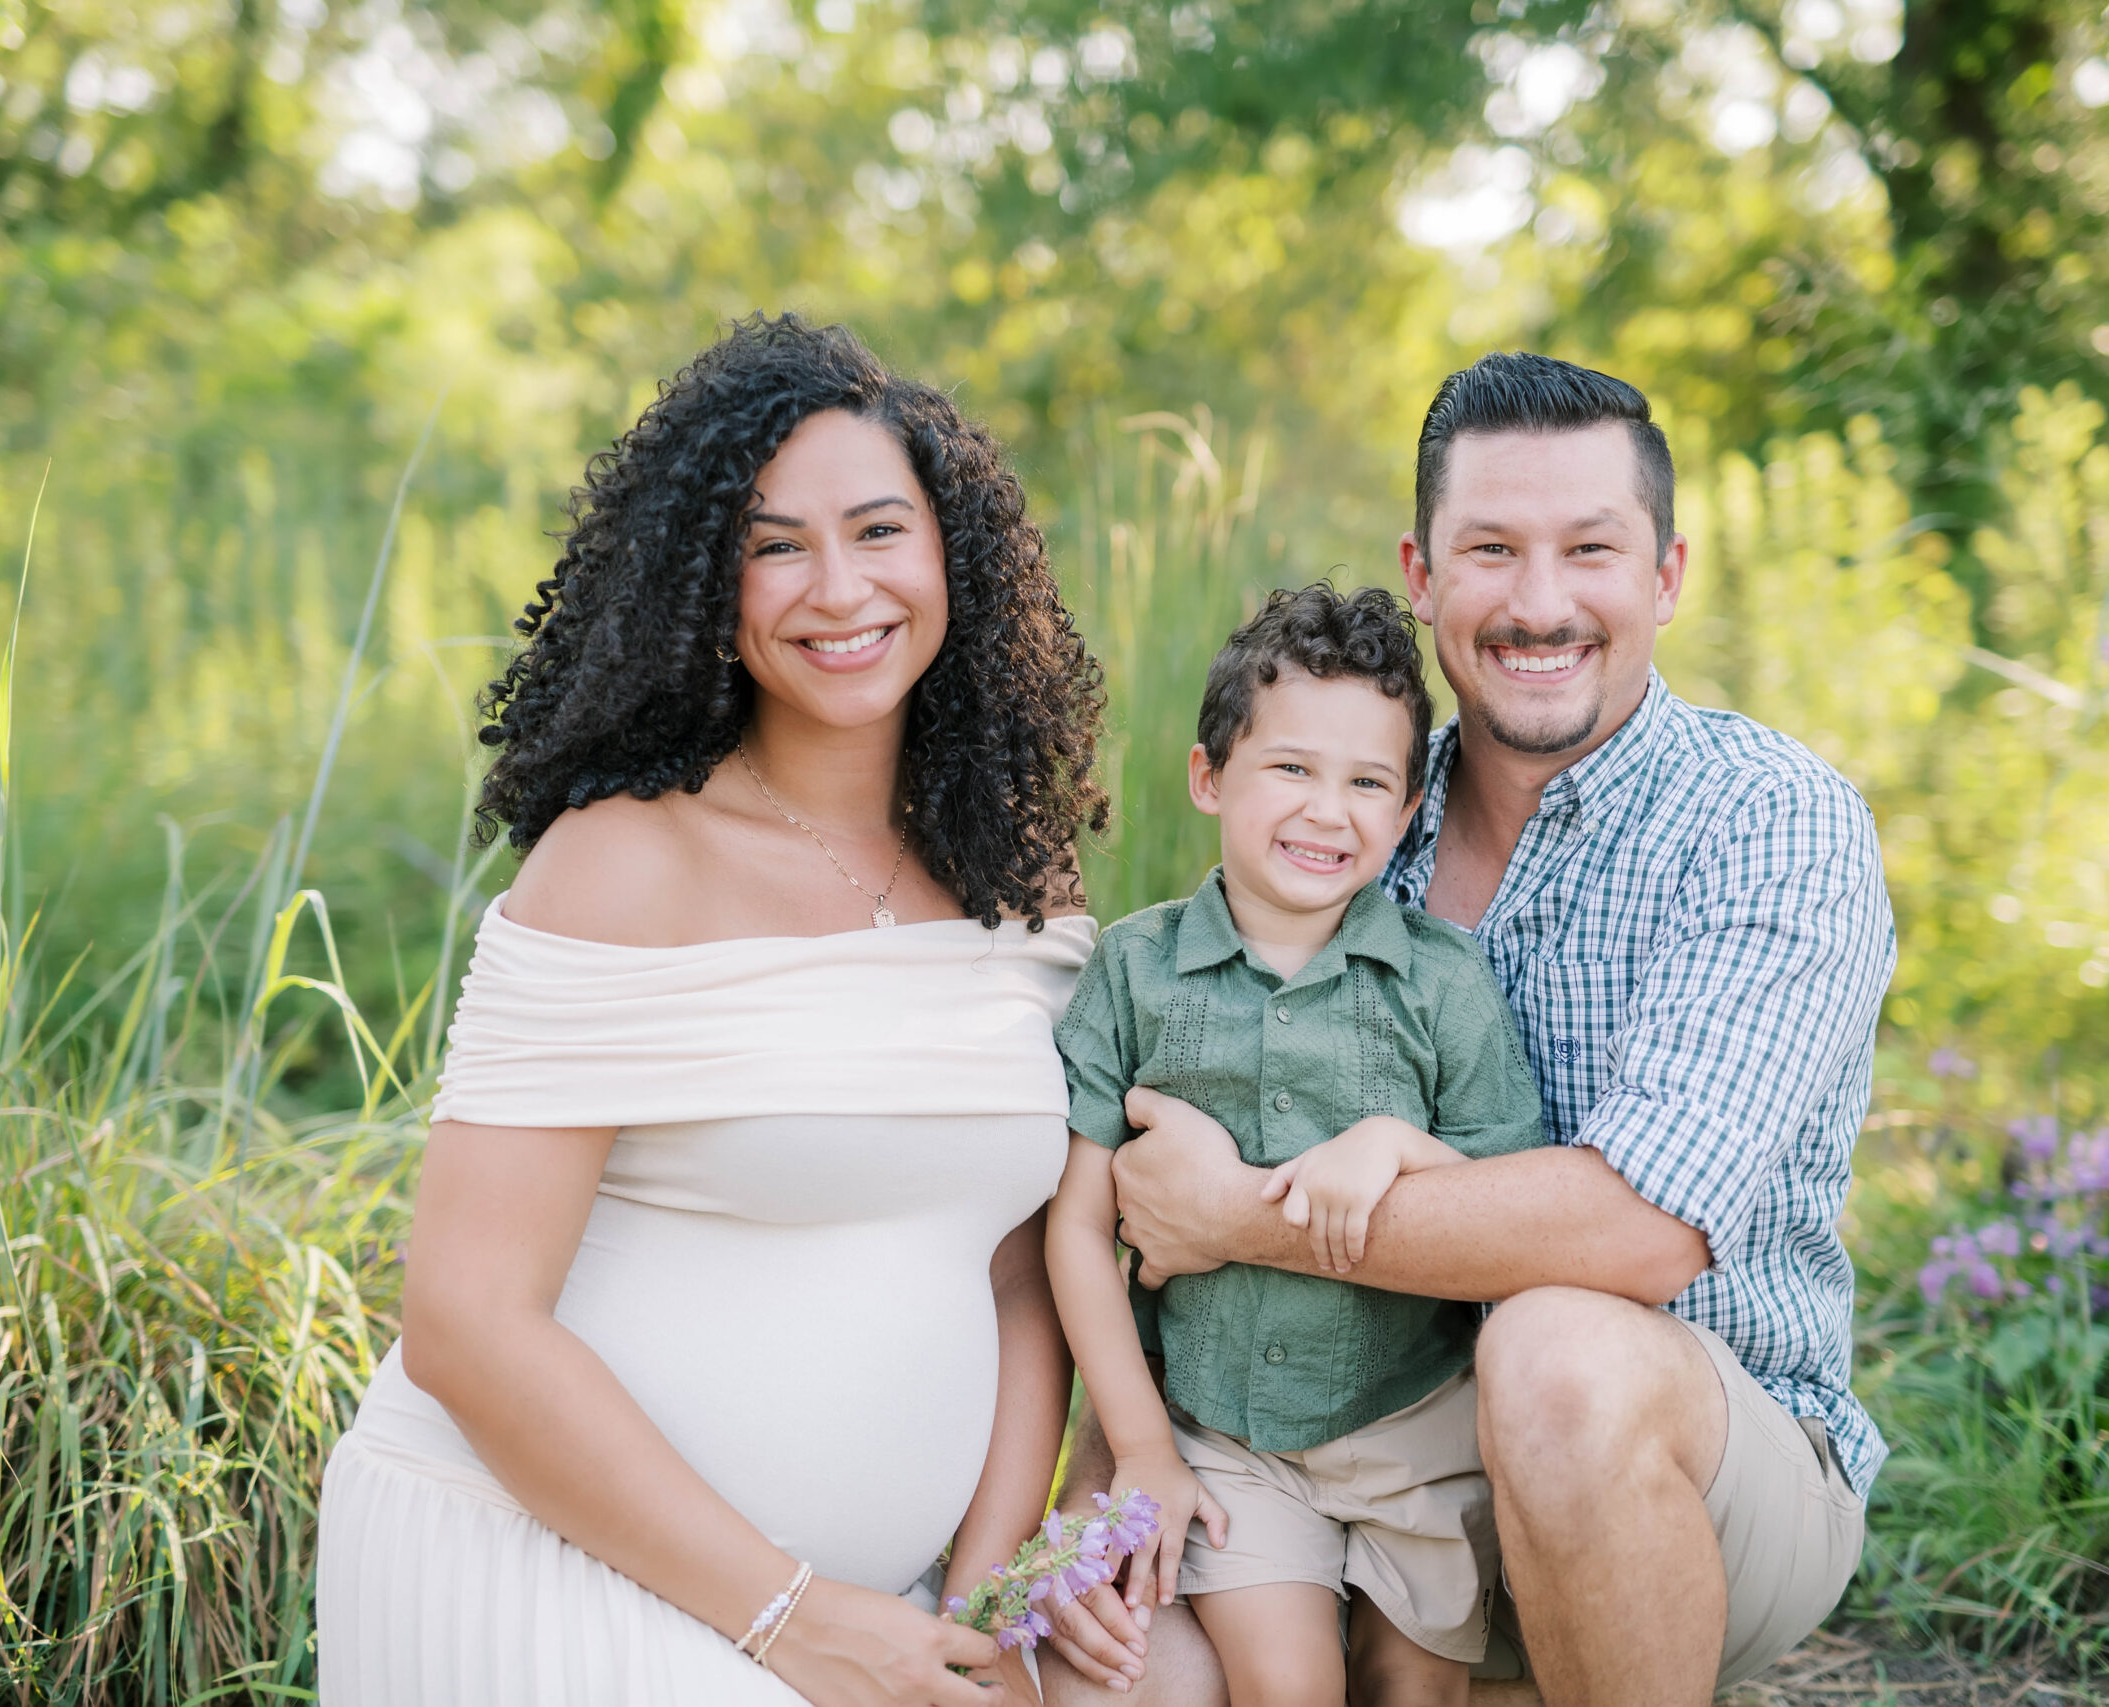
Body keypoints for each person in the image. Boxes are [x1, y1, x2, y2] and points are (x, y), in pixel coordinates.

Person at [1039, 354, 1895, 1707]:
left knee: (1556, 1348)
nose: (1539, 600)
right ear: (1423, 573)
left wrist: (1241, 1213)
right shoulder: (1342, 807)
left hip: (1691, 1465)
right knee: (1108, 1676)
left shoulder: (1770, 823)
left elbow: (1641, 1230)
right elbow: (1160, 1151)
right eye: (1491, 548)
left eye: (1591, 549)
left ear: (1665, 574)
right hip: (1318, 1457)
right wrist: (1107, 1473)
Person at [314, 314, 1108, 1707]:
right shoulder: (623, 862)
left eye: (879, 530)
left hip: (882, 1618)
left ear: (952, 558)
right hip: (548, 1556)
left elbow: (1016, 1273)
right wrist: (795, 1619)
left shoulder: (1019, 880)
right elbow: (466, 1318)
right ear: (703, 585)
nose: (837, 586)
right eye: (773, 544)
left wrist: (984, 1622)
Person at [1045, 585, 1548, 1707]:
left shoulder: (1442, 982)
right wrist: (1139, 1450)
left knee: (1412, 1691)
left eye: (1367, 782)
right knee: (1289, 1688)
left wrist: (1393, 1145)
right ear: (1208, 777)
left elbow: (1511, 1205)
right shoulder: (1133, 972)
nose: (1329, 811)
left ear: (1411, 805)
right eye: (1291, 770)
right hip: (1231, 1440)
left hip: (1418, 1427)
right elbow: (1077, 1232)